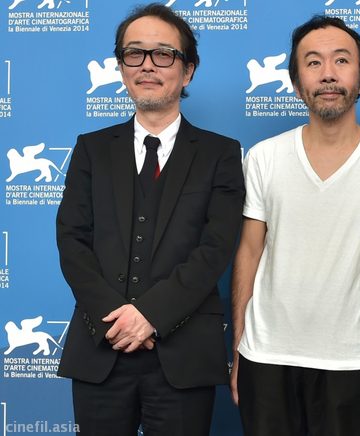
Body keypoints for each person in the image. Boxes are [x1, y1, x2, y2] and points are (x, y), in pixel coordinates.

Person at [55, 4, 244, 435]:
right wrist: (116, 318)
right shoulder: (91, 149)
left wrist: (151, 315)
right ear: (121, 67)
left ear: (188, 70)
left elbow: (215, 248)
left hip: (183, 354)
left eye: (163, 54)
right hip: (100, 347)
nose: (147, 65)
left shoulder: (220, 154)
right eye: (134, 53)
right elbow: (72, 240)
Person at [230, 15, 360, 436]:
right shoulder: (264, 157)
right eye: (313, 62)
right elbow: (249, 253)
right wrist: (239, 349)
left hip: (356, 361)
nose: (328, 73)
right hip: (266, 358)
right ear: (296, 85)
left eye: (341, 60)